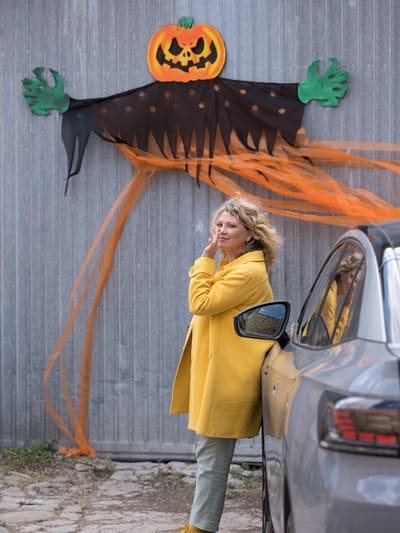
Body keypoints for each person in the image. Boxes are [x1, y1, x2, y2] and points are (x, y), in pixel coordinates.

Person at [170, 197, 282, 533]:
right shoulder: (232, 266)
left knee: (211, 459)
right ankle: (199, 525)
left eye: (231, 225)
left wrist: (203, 262)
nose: (221, 230)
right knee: (209, 455)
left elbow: (200, 302)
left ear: (249, 234)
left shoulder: (247, 272)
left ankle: (200, 528)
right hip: (218, 374)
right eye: (219, 224)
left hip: (228, 379)